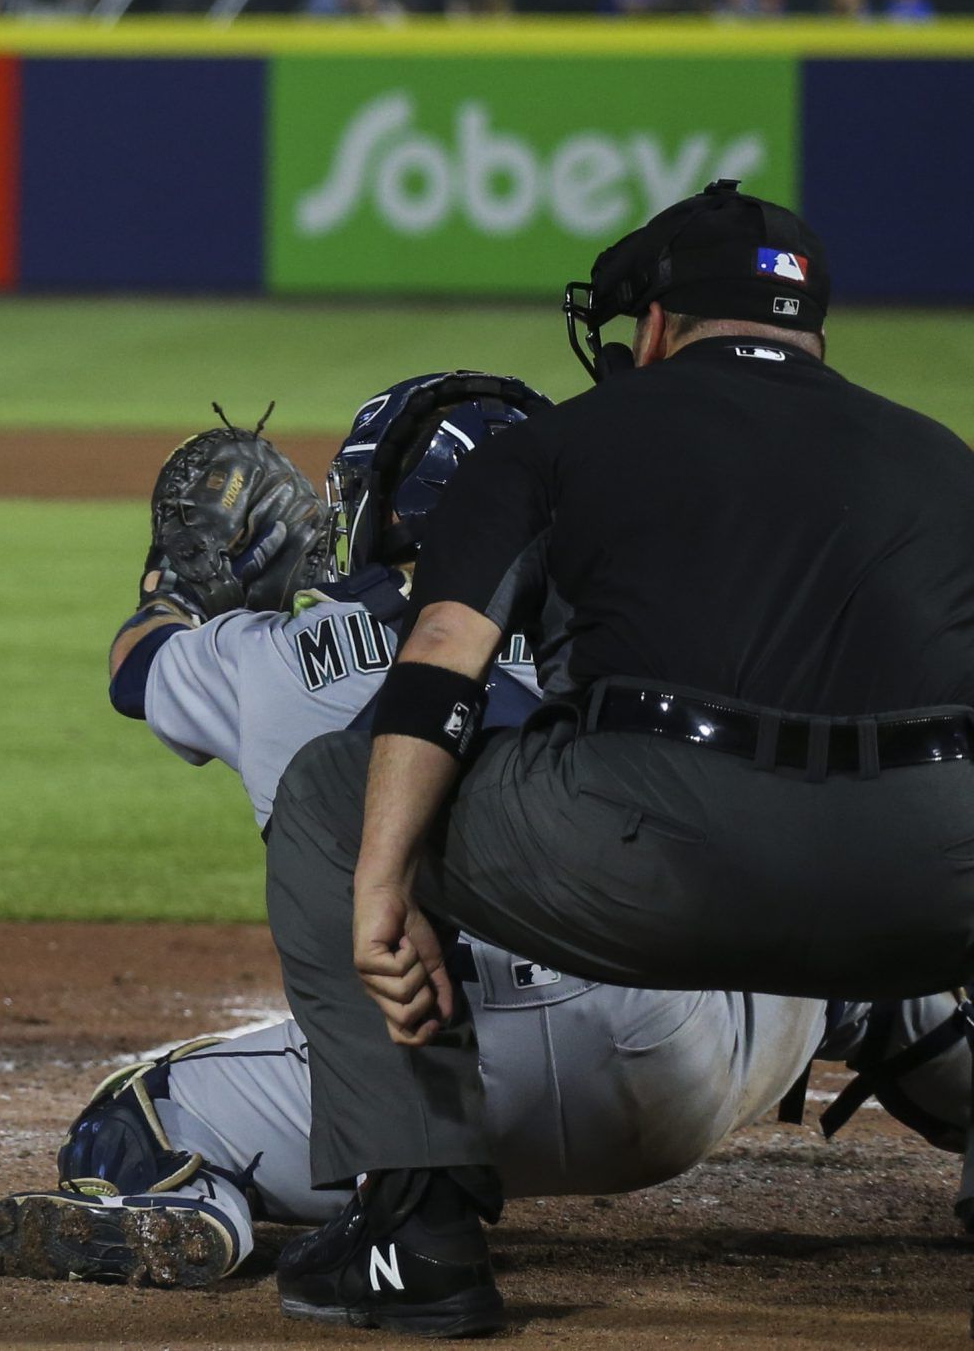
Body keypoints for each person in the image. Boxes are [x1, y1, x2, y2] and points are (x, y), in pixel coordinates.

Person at [0, 377, 970, 1292]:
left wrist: (183, 584)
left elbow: (141, 669)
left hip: (448, 1105)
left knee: (133, 1121)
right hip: (695, 1055)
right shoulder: (663, 622)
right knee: (845, 926)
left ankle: (192, 1213)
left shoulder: (275, 656)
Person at [260, 180, 974, 1333]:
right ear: (812, 331)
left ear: (649, 327)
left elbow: (441, 658)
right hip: (928, 891)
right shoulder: (944, 459)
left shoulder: (555, 445)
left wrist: (381, 885)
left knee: (333, 796)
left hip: (652, 858)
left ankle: (415, 1230)